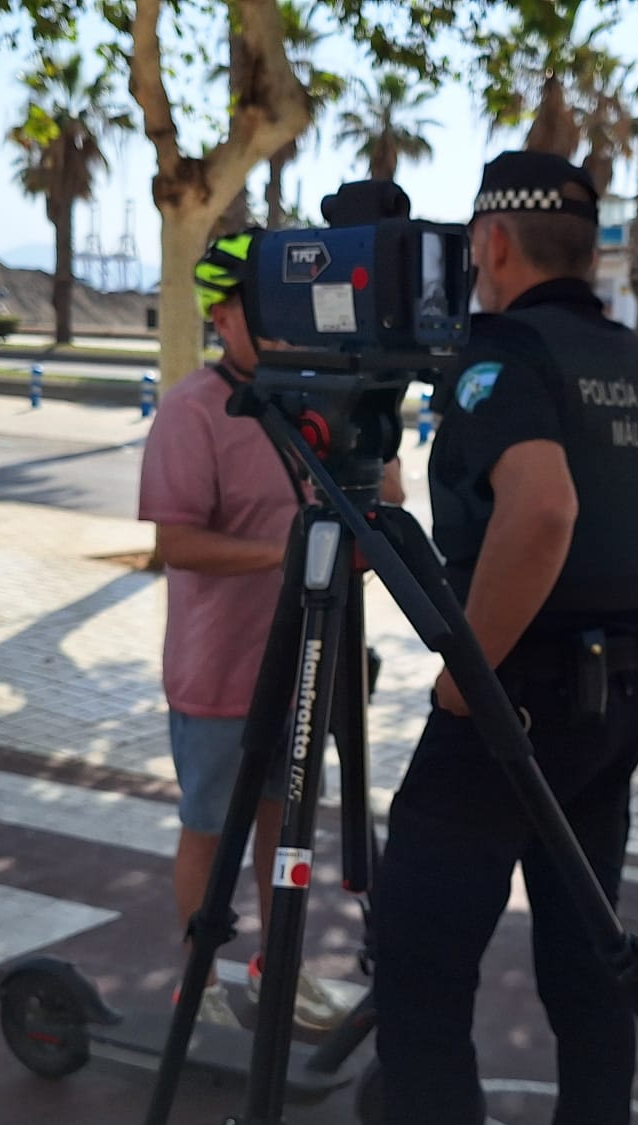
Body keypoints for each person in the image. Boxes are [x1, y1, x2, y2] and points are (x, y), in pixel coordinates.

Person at [372, 152, 638, 1125]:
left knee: (417, 965)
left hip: (512, 706)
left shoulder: (505, 351)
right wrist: (592, 610)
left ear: (492, 242)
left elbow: (541, 509)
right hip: (616, 706)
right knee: (589, 959)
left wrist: (469, 673)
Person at [137, 229, 403, 1029]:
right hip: (220, 673)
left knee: (285, 832)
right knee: (209, 831)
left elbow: (385, 500)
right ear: (223, 316)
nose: (291, 327)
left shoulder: (317, 396)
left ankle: (276, 972)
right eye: (269, 312)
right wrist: (293, 556)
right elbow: (174, 544)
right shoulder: (192, 412)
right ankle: (201, 986)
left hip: (308, 670)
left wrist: (375, 408)